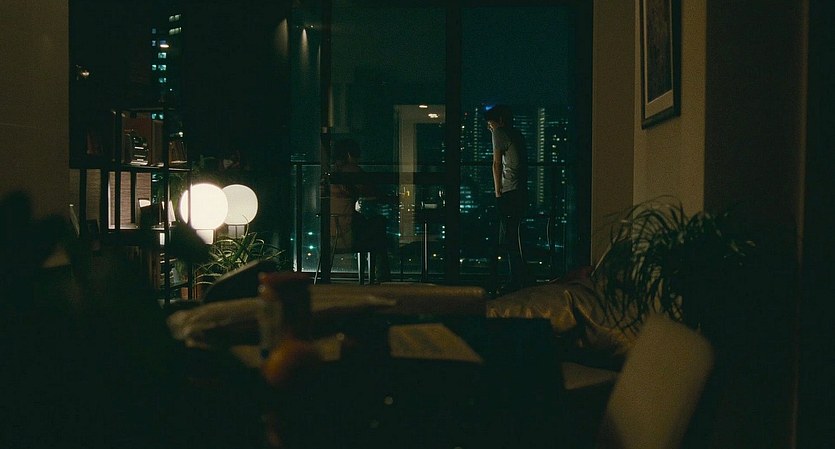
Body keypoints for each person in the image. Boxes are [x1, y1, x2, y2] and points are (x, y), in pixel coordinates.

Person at [329, 138, 392, 282]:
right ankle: (381, 274)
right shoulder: (350, 170)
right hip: (347, 232)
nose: (359, 159)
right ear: (349, 155)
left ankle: (378, 275)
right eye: (357, 155)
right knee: (380, 223)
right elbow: (370, 189)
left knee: (369, 221)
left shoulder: (333, 171)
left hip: (332, 231)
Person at [486, 104, 529, 294]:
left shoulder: (500, 133)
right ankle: (519, 278)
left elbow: (496, 164)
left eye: (491, 124)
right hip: (520, 191)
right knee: (514, 237)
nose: (490, 128)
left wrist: (497, 192)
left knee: (506, 239)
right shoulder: (517, 134)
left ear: (500, 120)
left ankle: (511, 280)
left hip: (509, 192)